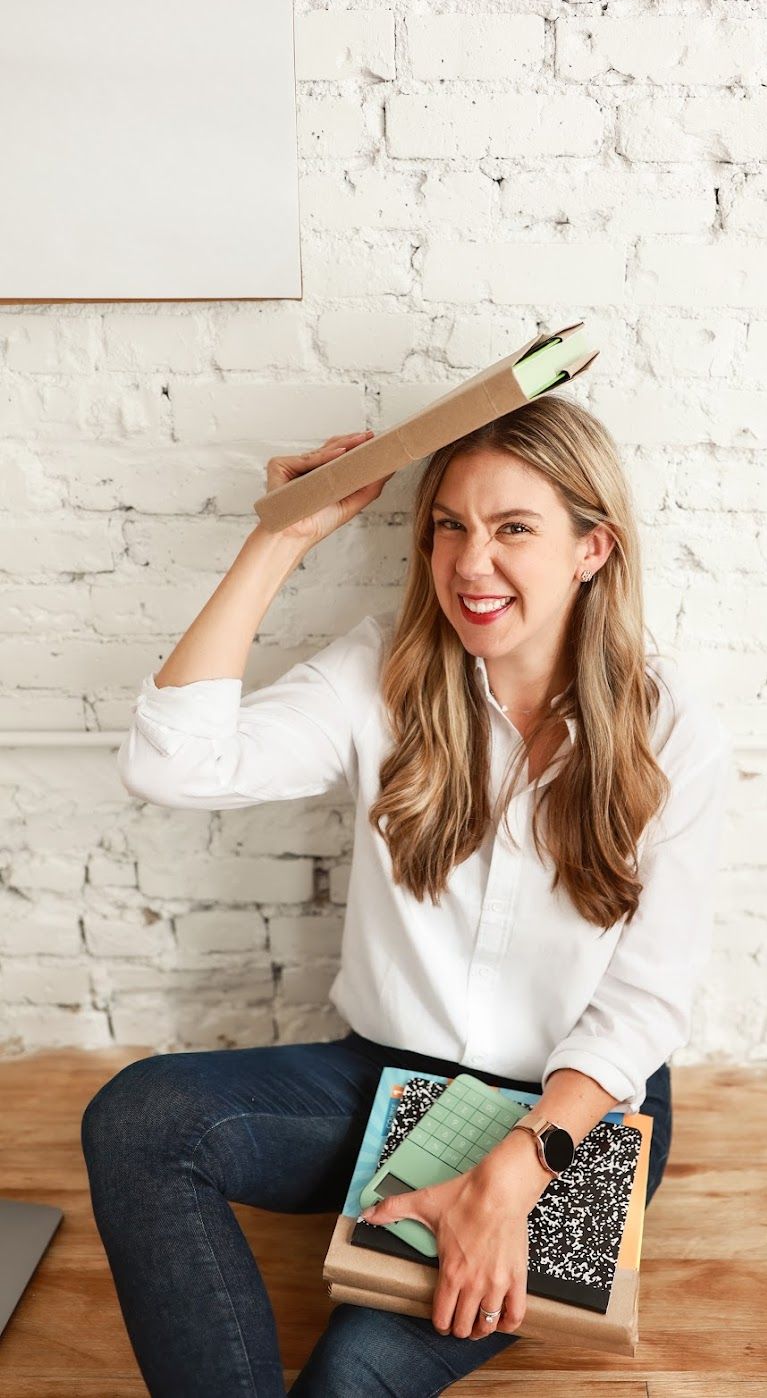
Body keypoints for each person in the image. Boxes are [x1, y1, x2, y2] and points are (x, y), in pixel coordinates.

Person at [81, 393, 734, 1397]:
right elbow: (171, 764)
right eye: (449, 526)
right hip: (384, 1082)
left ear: (592, 548)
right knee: (139, 1120)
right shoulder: (381, 671)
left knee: (349, 1378)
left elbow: (644, 1005)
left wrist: (504, 1184)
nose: (471, 562)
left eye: (513, 528)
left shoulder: (673, 731)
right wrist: (280, 536)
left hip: (569, 1116)